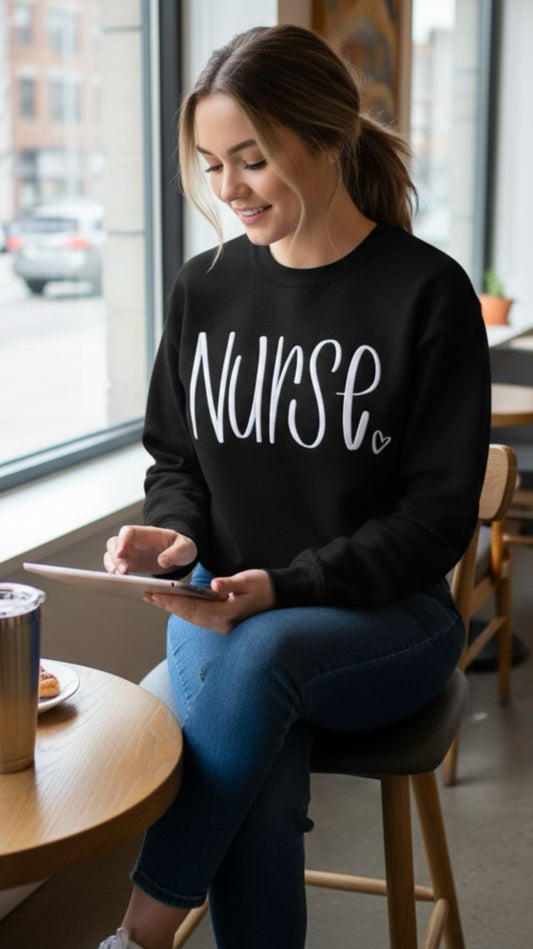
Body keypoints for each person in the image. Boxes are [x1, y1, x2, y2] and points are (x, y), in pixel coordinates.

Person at [99, 23, 490, 949]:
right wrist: (179, 536)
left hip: (388, 623)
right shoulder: (204, 288)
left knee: (254, 666)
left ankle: (139, 932)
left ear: (327, 140)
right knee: (256, 757)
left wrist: (284, 587)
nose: (228, 189)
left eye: (253, 159)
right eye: (210, 162)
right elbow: (177, 461)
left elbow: (434, 519)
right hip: (222, 607)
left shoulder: (426, 293)